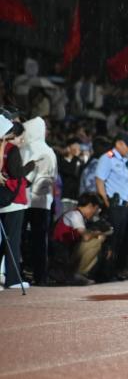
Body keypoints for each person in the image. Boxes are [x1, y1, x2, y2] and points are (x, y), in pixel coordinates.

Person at [95, 133, 128, 281]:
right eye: (127, 145)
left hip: (123, 206)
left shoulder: (124, 161)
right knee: (111, 241)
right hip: (113, 205)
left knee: (121, 240)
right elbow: (99, 181)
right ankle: (105, 273)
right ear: (118, 144)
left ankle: (115, 270)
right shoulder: (108, 158)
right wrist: (106, 202)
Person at [21, 117, 57, 285]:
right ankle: (40, 276)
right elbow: (53, 178)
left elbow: (23, 177)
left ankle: (19, 272)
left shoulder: (26, 149)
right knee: (40, 240)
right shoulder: (50, 151)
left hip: (25, 201)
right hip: (43, 202)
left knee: (21, 238)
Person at [1, 117, 34, 288]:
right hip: (14, 199)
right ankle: (13, 279)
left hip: (4, 198)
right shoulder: (11, 149)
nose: (20, 140)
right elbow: (15, 172)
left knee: (3, 241)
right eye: (18, 136)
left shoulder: (3, 148)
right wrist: (30, 166)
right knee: (12, 240)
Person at [52, 193, 107, 285]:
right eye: (96, 209)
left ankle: (75, 274)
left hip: (66, 251)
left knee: (97, 240)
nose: (95, 213)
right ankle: (74, 274)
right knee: (95, 242)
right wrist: (98, 234)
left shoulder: (78, 215)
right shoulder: (75, 215)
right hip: (60, 254)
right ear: (90, 206)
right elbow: (85, 237)